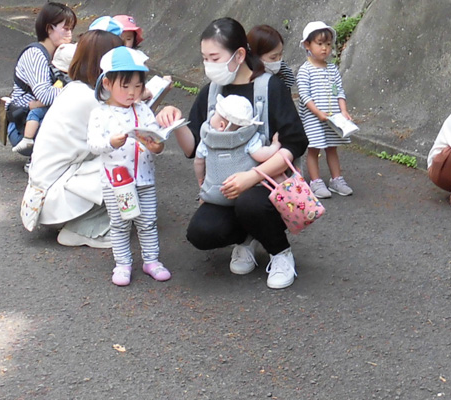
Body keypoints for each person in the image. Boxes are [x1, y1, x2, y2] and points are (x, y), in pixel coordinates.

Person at [155, 17, 309, 289]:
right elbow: (194, 148)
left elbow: (295, 143)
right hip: (225, 186)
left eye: (214, 57)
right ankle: (247, 238)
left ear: (239, 54)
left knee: (250, 203)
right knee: (201, 233)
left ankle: (280, 252)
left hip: (267, 183)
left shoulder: (270, 87)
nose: (208, 65)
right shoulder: (212, 91)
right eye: (204, 58)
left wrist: (253, 176)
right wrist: (175, 121)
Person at [28, 30, 126, 249]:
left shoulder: (75, 89)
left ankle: (84, 221)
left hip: (45, 197)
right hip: (56, 200)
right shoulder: (90, 100)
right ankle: (83, 229)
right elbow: (126, 131)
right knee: (125, 159)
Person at [86, 47, 170, 286]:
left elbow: (156, 139)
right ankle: (122, 264)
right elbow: (93, 145)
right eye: (125, 86)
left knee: (148, 221)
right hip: (116, 182)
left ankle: (151, 260)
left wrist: (156, 146)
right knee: (121, 222)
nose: (132, 93)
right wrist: (110, 143)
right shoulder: (100, 114)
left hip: (144, 178)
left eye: (137, 86)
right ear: (107, 83)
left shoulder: (143, 110)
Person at [8, 2, 77, 155]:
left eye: (71, 29)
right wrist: (77, 92)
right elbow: (45, 95)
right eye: (65, 29)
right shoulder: (35, 54)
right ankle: (36, 162)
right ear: (48, 28)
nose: (69, 34)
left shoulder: (62, 55)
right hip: (24, 126)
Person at [295, 21, 354, 198]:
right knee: (314, 148)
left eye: (328, 44)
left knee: (332, 147)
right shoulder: (305, 70)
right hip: (314, 118)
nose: (325, 49)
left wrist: (343, 111)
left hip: (332, 117)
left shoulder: (332, 69)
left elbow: (339, 91)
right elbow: (304, 96)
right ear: (307, 45)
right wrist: (318, 113)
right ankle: (315, 181)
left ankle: (336, 179)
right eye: (319, 44)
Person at [195, 95, 281, 190]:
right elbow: (262, 155)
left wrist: (200, 178)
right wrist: (275, 145)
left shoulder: (207, 139)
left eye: (215, 113)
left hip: (213, 191)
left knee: (203, 199)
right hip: (245, 189)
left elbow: (198, 161)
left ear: (221, 125)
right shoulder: (249, 138)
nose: (212, 115)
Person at [248, 24, 297, 92]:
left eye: (280, 54)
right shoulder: (247, 80)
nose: (278, 60)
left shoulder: (283, 71)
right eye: (273, 58)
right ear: (256, 56)